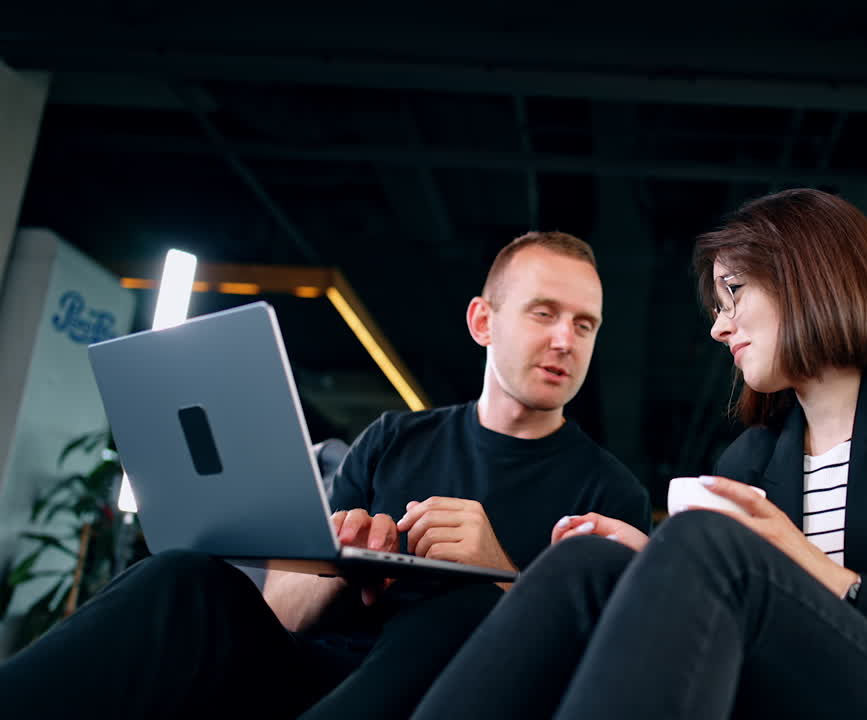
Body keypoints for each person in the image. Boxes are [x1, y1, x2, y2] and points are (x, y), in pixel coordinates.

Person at [408, 189, 867, 720]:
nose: (717, 324)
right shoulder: (751, 461)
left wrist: (820, 573)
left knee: (707, 542)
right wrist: (654, 568)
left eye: (733, 291)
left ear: (810, 277)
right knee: (589, 563)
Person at [0, 231, 650, 719]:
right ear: (484, 321)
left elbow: (591, 671)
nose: (567, 338)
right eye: (545, 313)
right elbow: (282, 612)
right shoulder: (395, 439)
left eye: (584, 323)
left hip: (450, 696)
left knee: (465, 605)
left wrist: (501, 575)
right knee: (184, 576)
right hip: (315, 675)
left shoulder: (609, 492)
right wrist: (339, 568)